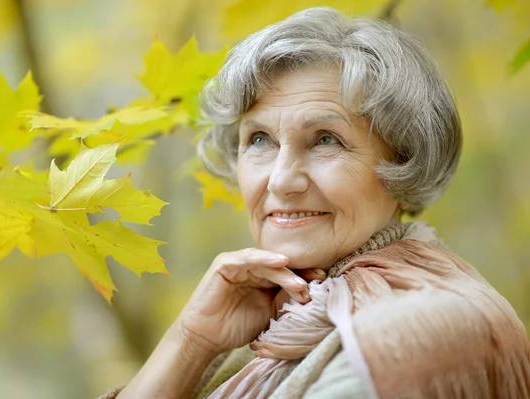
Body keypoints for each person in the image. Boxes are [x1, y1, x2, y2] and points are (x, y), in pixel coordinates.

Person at [100, 7, 530, 399]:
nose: (282, 180)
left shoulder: (422, 330)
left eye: (326, 140)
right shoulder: (284, 323)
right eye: (259, 140)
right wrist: (190, 341)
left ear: (404, 159)